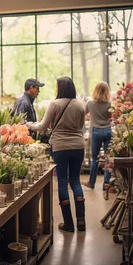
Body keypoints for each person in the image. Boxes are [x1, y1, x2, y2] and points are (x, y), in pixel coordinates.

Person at [26, 77, 86, 232]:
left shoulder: (54, 104)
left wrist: (26, 124)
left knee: (62, 181)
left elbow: (42, 127)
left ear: (61, 88)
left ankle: (68, 223)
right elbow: (81, 128)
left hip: (60, 147)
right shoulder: (81, 105)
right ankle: (81, 221)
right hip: (78, 146)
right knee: (76, 181)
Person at [83, 82, 112, 190]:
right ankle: (106, 183)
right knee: (108, 158)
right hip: (108, 131)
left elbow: (82, 113)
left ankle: (91, 182)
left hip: (95, 131)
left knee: (95, 158)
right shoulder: (109, 104)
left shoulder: (90, 103)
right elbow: (111, 117)